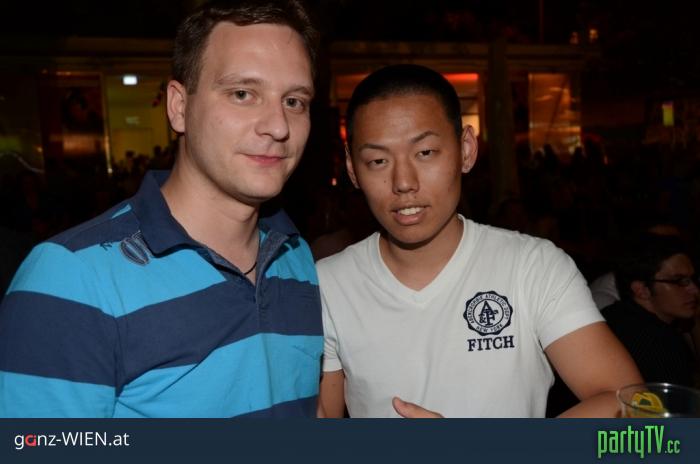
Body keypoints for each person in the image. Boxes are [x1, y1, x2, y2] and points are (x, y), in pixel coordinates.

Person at [0, 0, 322, 418]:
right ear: (179, 106)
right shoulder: (71, 279)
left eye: (294, 101)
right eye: (243, 94)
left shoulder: (296, 257)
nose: (278, 126)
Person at [318, 64, 642, 418]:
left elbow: (631, 404)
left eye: (425, 153)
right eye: (378, 160)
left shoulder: (532, 267)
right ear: (352, 169)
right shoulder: (327, 284)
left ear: (466, 150)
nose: (404, 182)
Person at [602, 235, 699, 387]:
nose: (694, 290)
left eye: (693, 279)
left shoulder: (612, 315)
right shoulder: (658, 342)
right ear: (642, 290)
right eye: (679, 281)